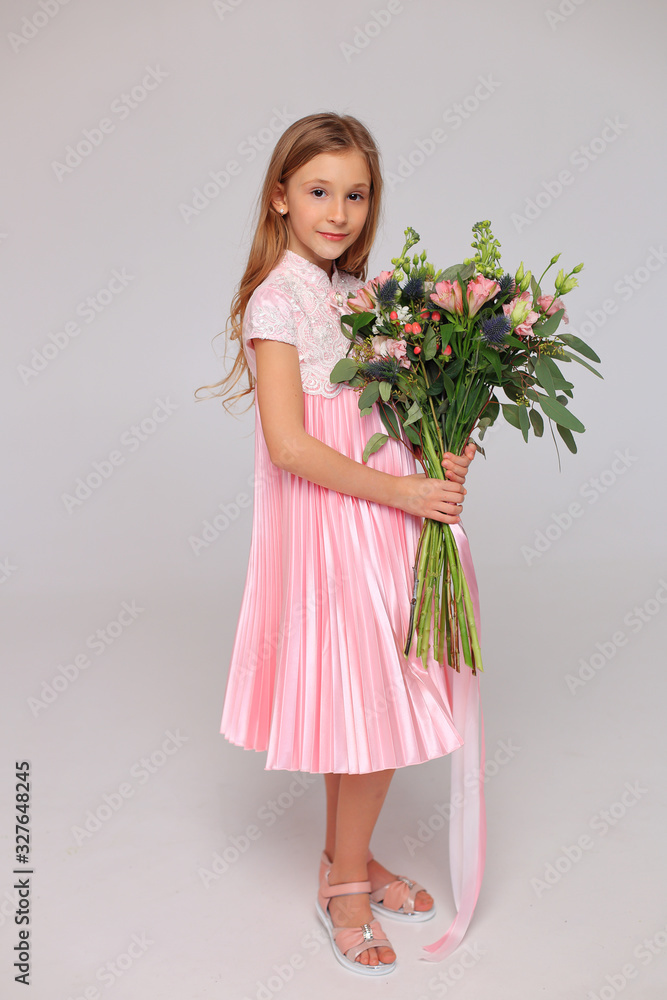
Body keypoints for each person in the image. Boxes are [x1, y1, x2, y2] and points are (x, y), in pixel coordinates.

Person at [196, 112, 484, 977]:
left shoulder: (360, 296)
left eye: (355, 194)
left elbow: (387, 415)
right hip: (332, 526)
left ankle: (342, 862)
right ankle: (347, 886)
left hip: (385, 517)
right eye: (319, 191)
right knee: (367, 705)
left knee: (370, 700)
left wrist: (441, 449)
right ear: (280, 197)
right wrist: (401, 487)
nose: (339, 211)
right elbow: (289, 443)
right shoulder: (276, 299)